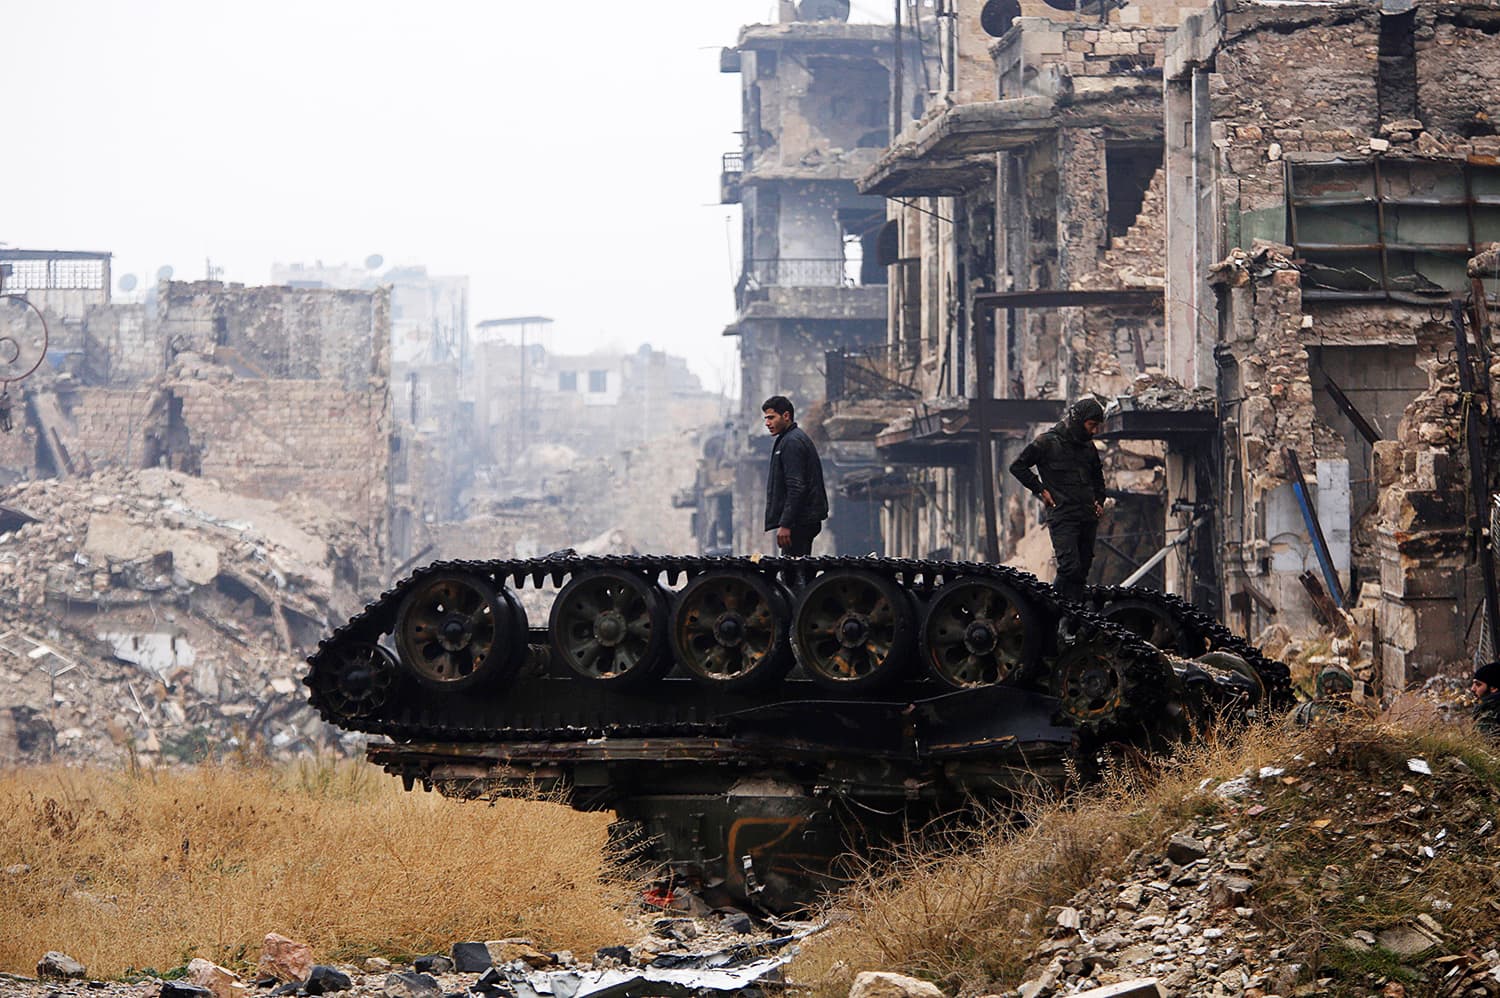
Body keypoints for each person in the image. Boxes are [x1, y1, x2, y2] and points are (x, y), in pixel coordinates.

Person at [1009, 396, 1107, 602]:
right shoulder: (1046, 443)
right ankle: (1051, 608)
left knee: (1081, 573)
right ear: (1079, 421)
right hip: (1063, 515)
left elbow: (1098, 477)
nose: (1094, 431)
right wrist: (1040, 489)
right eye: (1092, 425)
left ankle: (1069, 621)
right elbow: (1018, 466)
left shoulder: (1089, 448)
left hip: (1087, 516)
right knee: (1069, 568)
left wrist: (1100, 500)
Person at [762, 395, 828, 556]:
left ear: (786, 416)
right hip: (800, 521)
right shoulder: (788, 439)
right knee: (796, 573)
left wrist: (786, 524)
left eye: (771, 417)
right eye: (766, 419)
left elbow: (796, 486)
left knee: (794, 575)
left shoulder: (792, 442)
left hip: (800, 521)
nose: (767, 423)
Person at [1471, 661, 1500, 735]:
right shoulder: (1488, 708)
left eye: (1478, 684)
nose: (1472, 689)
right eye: (1473, 683)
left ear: (1493, 688)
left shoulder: (1492, 714)